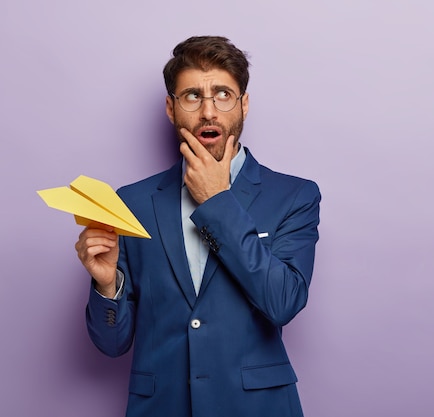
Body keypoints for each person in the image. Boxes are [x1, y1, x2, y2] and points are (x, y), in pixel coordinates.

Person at [75, 36, 321, 417]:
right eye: (192, 96)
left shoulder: (294, 196)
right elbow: (112, 344)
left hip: (257, 407)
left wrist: (218, 202)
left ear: (244, 105)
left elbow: (283, 302)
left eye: (223, 94)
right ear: (171, 109)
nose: (209, 111)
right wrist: (108, 285)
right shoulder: (132, 202)